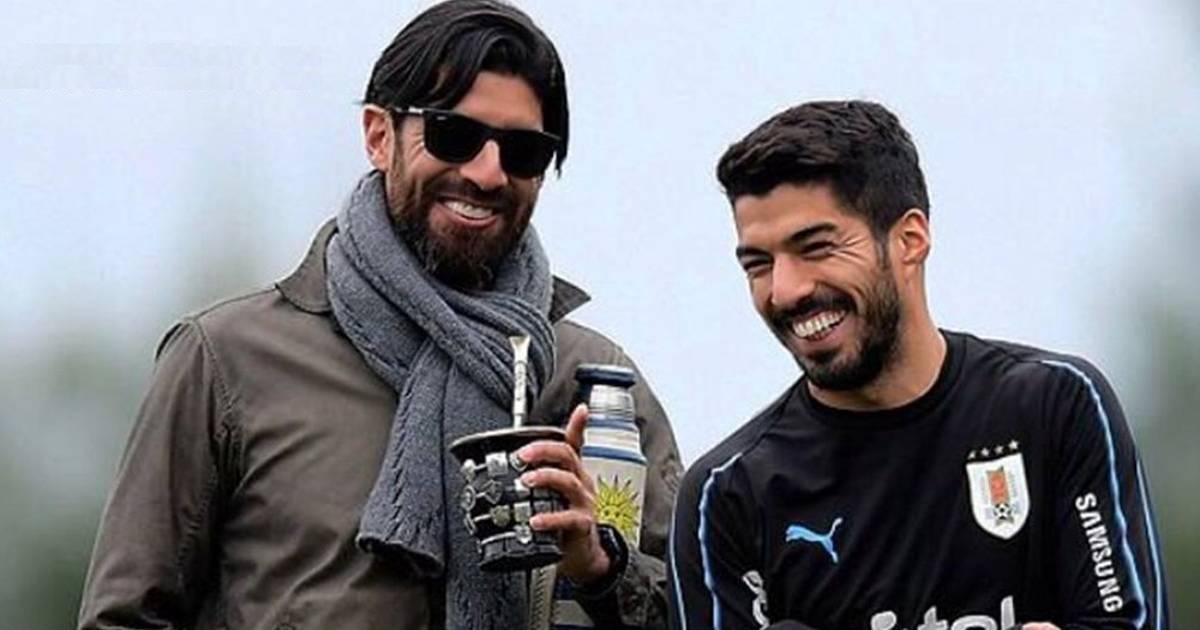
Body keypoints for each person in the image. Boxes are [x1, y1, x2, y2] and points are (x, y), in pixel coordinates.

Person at [78, 2, 682, 628]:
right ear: (377, 135)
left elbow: (701, 606)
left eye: (523, 151)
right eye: (453, 135)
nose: (487, 173)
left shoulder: (596, 387)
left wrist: (601, 567)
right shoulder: (226, 359)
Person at [667, 100, 1169, 630]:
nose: (786, 290)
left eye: (816, 248)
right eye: (759, 264)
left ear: (910, 240)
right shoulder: (726, 496)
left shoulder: (1056, 406)